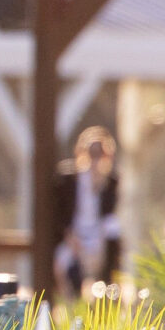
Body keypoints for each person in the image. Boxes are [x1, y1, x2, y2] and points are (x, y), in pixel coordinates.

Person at [51, 125, 121, 298]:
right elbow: (60, 214)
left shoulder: (110, 182)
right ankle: (69, 300)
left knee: (114, 229)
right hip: (74, 235)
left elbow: (109, 215)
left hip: (97, 235)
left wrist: (99, 183)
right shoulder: (69, 179)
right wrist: (71, 238)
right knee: (64, 266)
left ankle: (108, 288)